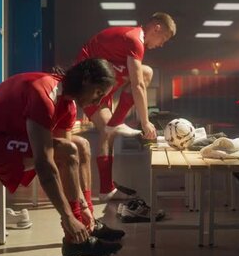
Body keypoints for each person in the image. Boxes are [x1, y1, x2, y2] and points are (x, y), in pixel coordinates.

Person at [0, 58, 125, 256]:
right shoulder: (44, 93)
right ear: (85, 80)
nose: (98, 101)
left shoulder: (68, 105)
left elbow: (67, 159)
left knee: (80, 146)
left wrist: (84, 206)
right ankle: (75, 239)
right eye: (99, 93)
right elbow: (45, 164)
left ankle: (87, 222)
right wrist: (67, 217)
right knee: (67, 150)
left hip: (6, 141)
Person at [74, 12, 176, 201]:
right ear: (157, 28)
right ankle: (115, 124)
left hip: (103, 82)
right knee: (109, 129)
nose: (161, 44)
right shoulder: (135, 40)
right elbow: (137, 85)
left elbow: (138, 80)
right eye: (164, 38)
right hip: (87, 84)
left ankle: (106, 190)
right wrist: (145, 122)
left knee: (146, 72)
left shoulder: (135, 40)